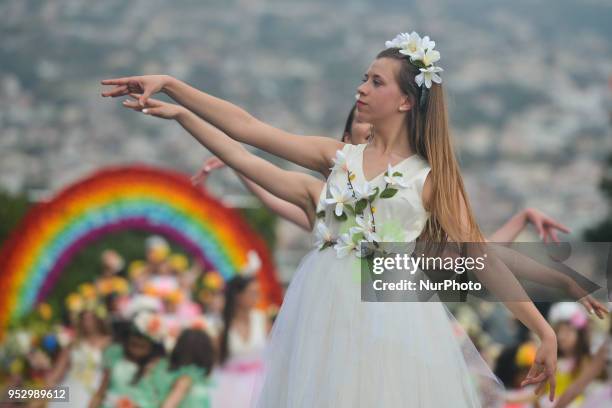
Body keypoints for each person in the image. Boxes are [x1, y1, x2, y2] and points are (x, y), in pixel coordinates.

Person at [102, 31, 561, 406]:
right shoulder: (337, 157)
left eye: (376, 82)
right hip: (319, 312)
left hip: (392, 317)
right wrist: (171, 85)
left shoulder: (430, 178)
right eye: (365, 78)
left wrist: (542, 330)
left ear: (405, 102)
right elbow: (247, 129)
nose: (361, 88)